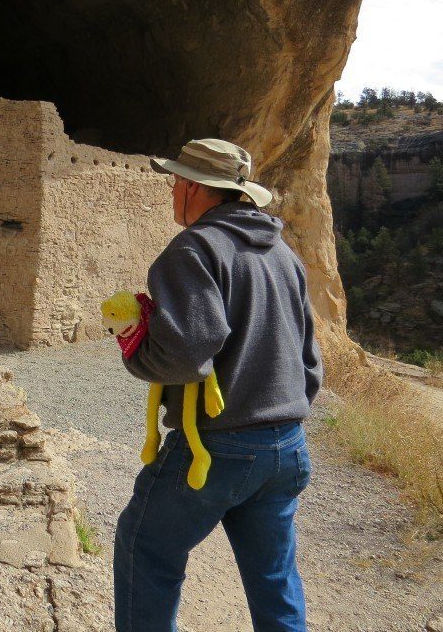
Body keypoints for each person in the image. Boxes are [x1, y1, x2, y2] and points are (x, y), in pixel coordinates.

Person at [112, 138, 323, 631]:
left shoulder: (193, 250)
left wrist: (136, 349)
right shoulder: (283, 255)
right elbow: (309, 357)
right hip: (288, 444)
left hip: (219, 447)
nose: (171, 193)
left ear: (191, 187)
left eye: (175, 183)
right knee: (273, 576)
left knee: (146, 548)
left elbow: (187, 352)